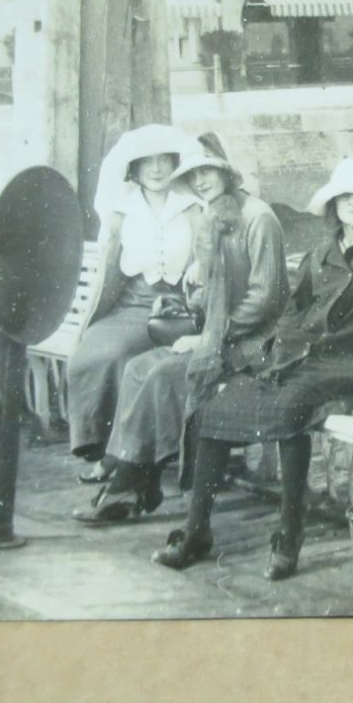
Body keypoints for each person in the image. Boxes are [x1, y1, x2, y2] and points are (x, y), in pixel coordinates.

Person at [152, 156, 353, 580]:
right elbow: (292, 308)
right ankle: (196, 531)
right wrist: (276, 347)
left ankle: (289, 538)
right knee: (214, 406)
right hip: (299, 357)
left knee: (290, 410)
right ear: (335, 204)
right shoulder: (321, 252)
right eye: (345, 196)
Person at [73, 140, 288, 524]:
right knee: (138, 368)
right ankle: (136, 478)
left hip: (257, 343)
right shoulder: (212, 217)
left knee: (161, 374)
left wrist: (210, 337)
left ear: (225, 170)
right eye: (192, 175)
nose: (200, 181)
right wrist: (195, 290)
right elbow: (217, 287)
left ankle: (130, 487)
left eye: (206, 170)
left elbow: (265, 299)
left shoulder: (258, 217)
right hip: (222, 336)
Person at [66, 124, 202, 480]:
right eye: (147, 162)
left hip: (178, 308)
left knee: (128, 358)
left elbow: (210, 259)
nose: (156, 169)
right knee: (92, 356)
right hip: (133, 305)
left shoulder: (192, 208)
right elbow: (109, 272)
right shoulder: (120, 211)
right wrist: (89, 318)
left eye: (163, 160)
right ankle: (103, 446)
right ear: (135, 169)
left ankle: (125, 455)